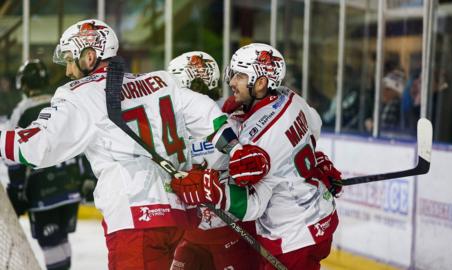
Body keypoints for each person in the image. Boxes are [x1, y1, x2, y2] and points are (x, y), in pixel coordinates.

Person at [0, 20, 268, 270]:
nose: (69, 71)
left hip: (135, 220)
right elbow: (206, 111)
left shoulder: (79, 94)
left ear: (90, 56)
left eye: (71, 60)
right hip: (178, 218)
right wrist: (235, 149)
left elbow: (34, 148)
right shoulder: (161, 82)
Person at [171, 43, 342, 270]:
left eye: (240, 76)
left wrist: (212, 190)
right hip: (322, 217)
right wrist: (305, 165)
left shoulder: (252, 135)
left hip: (291, 235)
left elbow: (254, 204)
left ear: (260, 83)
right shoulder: (290, 97)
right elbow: (314, 126)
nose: (232, 82)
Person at [168, 51, 259, 270]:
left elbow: (254, 177)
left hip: (232, 231)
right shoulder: (171, 127)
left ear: (190, 83)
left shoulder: (234, 122)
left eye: (175, 84)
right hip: (190, 235)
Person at [6, 59, 91, 270]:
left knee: (51, 243)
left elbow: (13, 155)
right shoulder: (61, 101)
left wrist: (16, 190)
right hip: (71, 186)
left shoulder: (22, 111)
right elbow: (82, 141)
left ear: (24, 84)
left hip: (42, 190)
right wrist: (87, 177)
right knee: (60, 239)